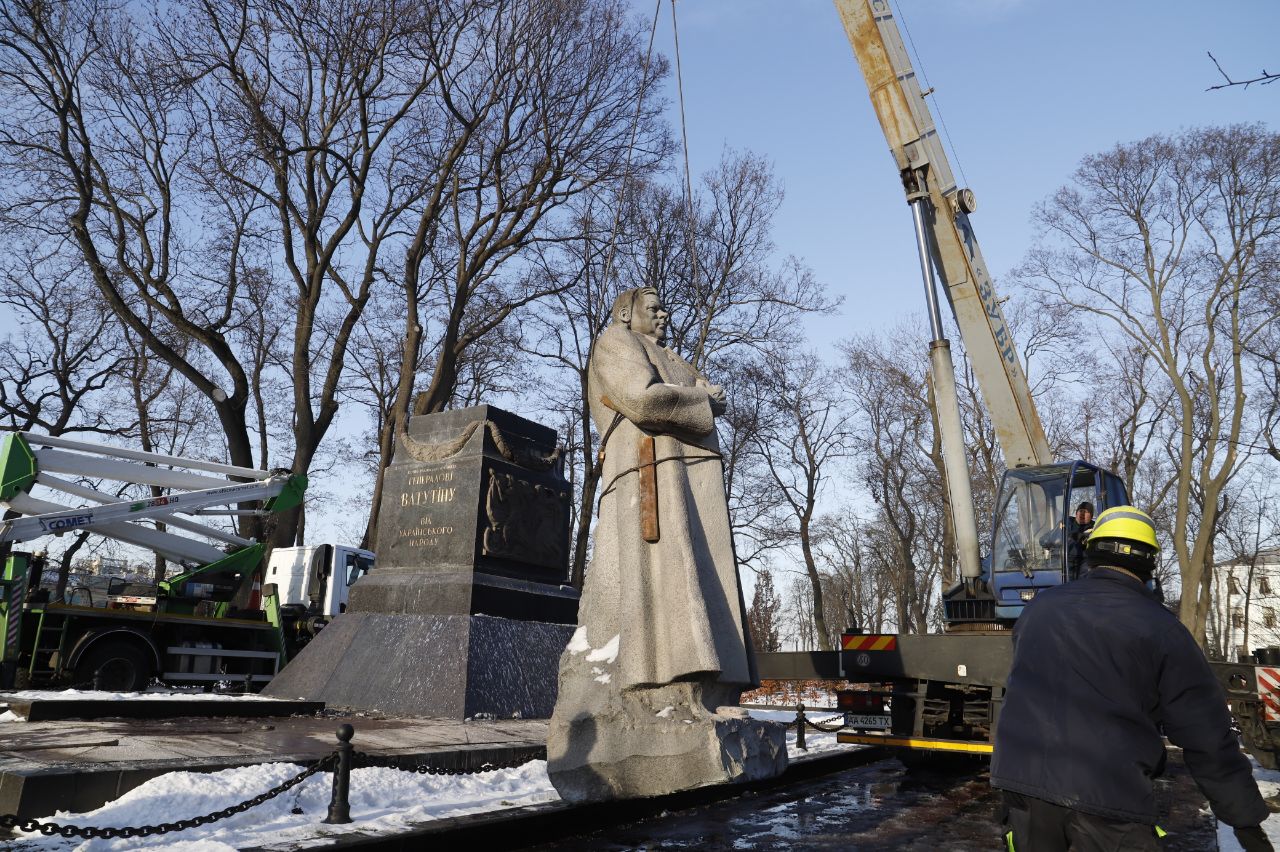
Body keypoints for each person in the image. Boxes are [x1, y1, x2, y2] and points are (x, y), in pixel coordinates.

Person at [992, 506, 1271, 852]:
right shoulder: (1162, 629)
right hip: (1109, 797)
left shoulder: (1038, 610)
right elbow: (1207, 736)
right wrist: (1244, 819)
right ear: (1150, 562)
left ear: (1092, 552)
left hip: (1024, 788)